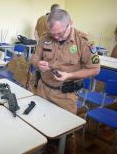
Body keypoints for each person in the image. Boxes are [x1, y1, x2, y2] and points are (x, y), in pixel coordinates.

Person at [31, 9, 100, 154]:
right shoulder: (45, 36)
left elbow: (94, 69)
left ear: (70, 24)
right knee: (41, 126)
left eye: (60, 33)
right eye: (53, 34)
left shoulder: (84, 42)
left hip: (65, 96)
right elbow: (34, 58)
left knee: (66, 134)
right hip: (43, 90)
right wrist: (38, 64)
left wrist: (69, 75)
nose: (56, 37)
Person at [34, 4, 61, 88]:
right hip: (50, 48)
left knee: (39, 64)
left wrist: (39, 43)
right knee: (48, 66)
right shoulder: (54, 20)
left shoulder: (41, 18)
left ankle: (37, 83)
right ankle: (46, 85)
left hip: (40, 45)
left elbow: (35, 32)